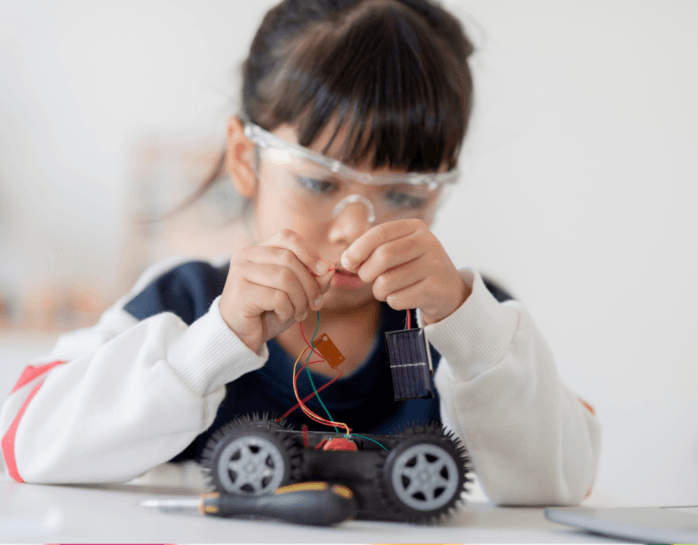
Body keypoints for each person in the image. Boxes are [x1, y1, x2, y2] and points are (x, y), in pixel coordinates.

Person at [0, 0, 600, 505]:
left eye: (401, 194)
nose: (352, 228)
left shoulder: (472, 321)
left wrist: (473, 329)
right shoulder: (183, 303)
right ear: (245, 158)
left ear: (436, 196)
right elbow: (24, 438)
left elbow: (561, 484)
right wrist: (208, 347)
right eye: (319, 182)